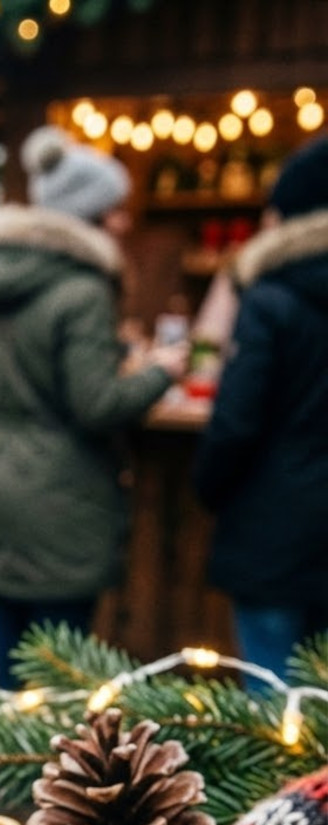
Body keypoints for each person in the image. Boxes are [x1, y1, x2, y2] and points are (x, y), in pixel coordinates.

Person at [0, 127, 188, 688]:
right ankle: (48, 775)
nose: (124, 222)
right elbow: (97, 404)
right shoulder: (85, 290)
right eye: (114, 210)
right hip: (63, 498)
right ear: (87, 217)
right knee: (61, 673)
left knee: (1, 660)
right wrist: (162, 372)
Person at [193, 137, 328, 681]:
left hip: (275, 529)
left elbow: (237, 420)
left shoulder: (270, 297)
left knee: (274, 711)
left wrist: (207, 486)